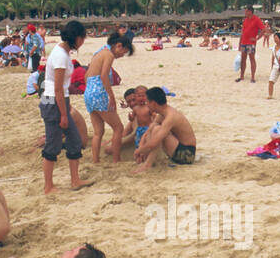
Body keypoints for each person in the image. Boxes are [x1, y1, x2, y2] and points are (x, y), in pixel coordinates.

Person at [39, 20, 92, 193]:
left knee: (75, 140)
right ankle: (48, 186)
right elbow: (57, 89)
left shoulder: (62, 52)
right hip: (53, 101)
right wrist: (63, 114)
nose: (83, 41)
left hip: (56, 100)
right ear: (76, 38)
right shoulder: (61, 56)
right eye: (82, 38)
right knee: (53, 145)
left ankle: (75, 180)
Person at [83, 31, 133, 164]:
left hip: (89, 93)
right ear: (119, 46)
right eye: (124, 52)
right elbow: (104, 75)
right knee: (118, 128)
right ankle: (116, 159)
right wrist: (111, 96)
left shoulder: (98, 53)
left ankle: (96, 161)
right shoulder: (109, 54)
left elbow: (86, 75)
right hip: (99, 93)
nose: (122, 56)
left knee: (98, 132)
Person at [133, 87, 197, 172]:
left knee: (157, 130)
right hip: (177, 148)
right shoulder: (163, 113)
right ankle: (146, 160)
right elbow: (147, 132)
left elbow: (154, 143)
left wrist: (138, 151)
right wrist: (140, 149)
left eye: (147, 101)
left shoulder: (171, 116)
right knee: (153, 127)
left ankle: (148, 164)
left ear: (153, 103)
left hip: (187, 155)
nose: (146, 104)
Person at [235, 6, 266, 82]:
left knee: (252, 59)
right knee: (243, 59)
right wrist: (240, 43)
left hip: (251, 43)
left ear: (250, 11)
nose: (245, 13)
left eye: (246, 11)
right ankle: (241, 76)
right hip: (244, 42)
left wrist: (257, 38)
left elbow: (264, 29)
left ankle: (252, 77)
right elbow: (243, 33)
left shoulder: (256, 19)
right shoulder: (245, 20)